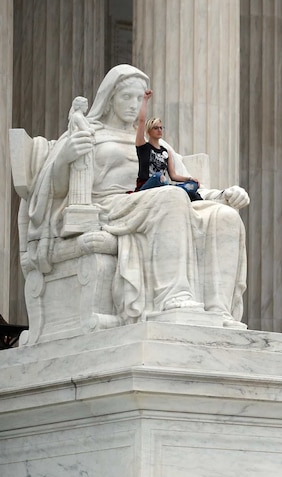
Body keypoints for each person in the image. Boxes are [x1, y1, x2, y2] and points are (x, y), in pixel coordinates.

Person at [27, 65, 249, 327]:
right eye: (126, 97)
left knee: (224, 216)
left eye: (138, 98)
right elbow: (51, 191)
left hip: (156, 202)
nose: (134, 105)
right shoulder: (87, 133)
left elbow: (189, 186)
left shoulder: (157, 145)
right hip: (110, 206)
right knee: (170, 199)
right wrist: (65, 158)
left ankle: (218, 309)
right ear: (109, 99)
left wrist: (222, 195)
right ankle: (174, 296)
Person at [134, 90, 200, 197]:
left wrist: (189, 178)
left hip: (163, 186)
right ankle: (173, 189)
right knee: (158, 177)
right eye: (156, 128)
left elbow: (173, 176)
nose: (159, 130)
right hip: (148, 186)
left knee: (193, 186)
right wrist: (145, 100)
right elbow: (141, 121)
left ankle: (175, 190)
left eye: (161, 128)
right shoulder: (143, 146)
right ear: (149, 131)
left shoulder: (166, 151)